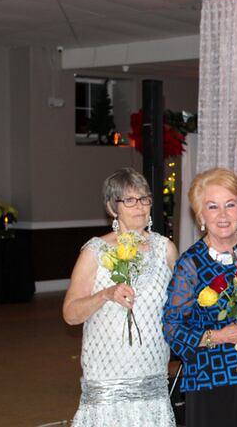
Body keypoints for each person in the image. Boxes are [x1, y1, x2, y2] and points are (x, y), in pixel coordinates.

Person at [162, 168, 237, 427]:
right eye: (213, 207)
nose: (223, 215)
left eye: (230, 204)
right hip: (213, 379)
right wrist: (224, 335)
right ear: (200, 215)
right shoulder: (190, 264)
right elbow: (172, 328)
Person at [63, 168, 177, 426]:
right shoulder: (95, 251)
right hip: (107, 372)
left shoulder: (165, 250)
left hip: (152, 370)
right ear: (112, 208)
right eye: (129, 200)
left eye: (144, 199)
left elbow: (178, 308)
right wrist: (105, 294)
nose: (139, 206)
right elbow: (70, 314)